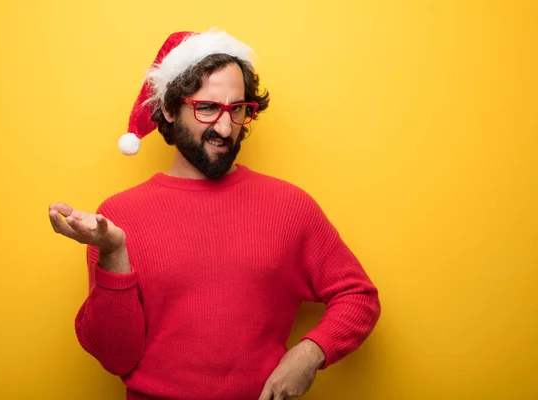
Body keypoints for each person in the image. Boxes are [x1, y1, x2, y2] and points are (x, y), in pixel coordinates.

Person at [48, 28, 381, 400]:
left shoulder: (290, 206)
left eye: (238, 109)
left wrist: (308, 353)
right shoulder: (116, 218)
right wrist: (113, 252)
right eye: (207, 108)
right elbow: (116, 357)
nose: (225, 128)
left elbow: (359, 296)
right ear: (170, 110)